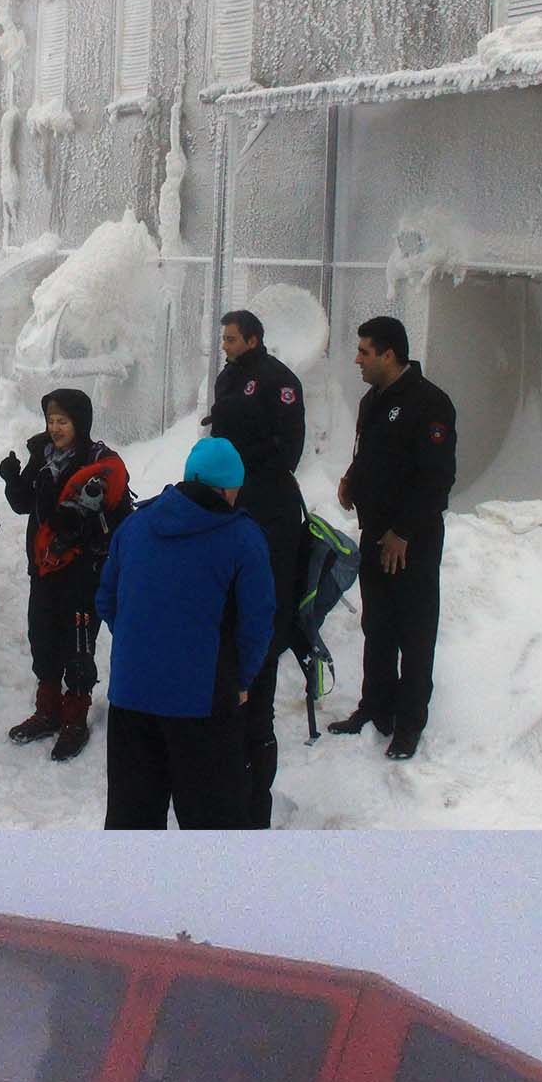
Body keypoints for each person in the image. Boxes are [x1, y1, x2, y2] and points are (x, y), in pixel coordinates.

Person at [93, 437, 273, 829]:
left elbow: (107, 600)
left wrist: (141, 642)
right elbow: (257, 623)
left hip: (131, 698)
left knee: (132, 821)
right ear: (227, 489)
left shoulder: (135, 526)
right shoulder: (243, 538)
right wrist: (241, 680)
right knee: (212, 823)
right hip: (203, 705)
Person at [331, 314, 456, 759]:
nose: (358, 359)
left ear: (389, 354)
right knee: (377, 626)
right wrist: (351, 478)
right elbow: (369, 454)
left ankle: (409, 722)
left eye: (365, 351)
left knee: (414, 631)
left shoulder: (430, 404)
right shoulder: (372, 401)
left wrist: (403, 532)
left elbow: (437, 479)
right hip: (374, 534)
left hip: (412, 542)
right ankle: (375, 707)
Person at [207, 309, 306, 825]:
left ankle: (259, 679)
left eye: (231, 338)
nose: (224, 345)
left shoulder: (278, 381)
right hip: (232, 502)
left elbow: (287, 449)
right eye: (222, 338)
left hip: (268, 507)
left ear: (253, 338)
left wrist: (246, 459)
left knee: (261, 607)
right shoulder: (229, 377)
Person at [0, 387, 132, 763]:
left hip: (81, 571)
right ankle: (48, 710)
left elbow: (115, 517)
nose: (55, 428)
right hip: (43, 567)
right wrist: (12, 478)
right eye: (51, 420)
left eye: (63, 421)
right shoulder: (42, 455)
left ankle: (75, 716)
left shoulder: (99, 463)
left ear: (80, 423)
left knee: (77, 643)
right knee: (42, 636)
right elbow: (25, 504)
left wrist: (79, 526)